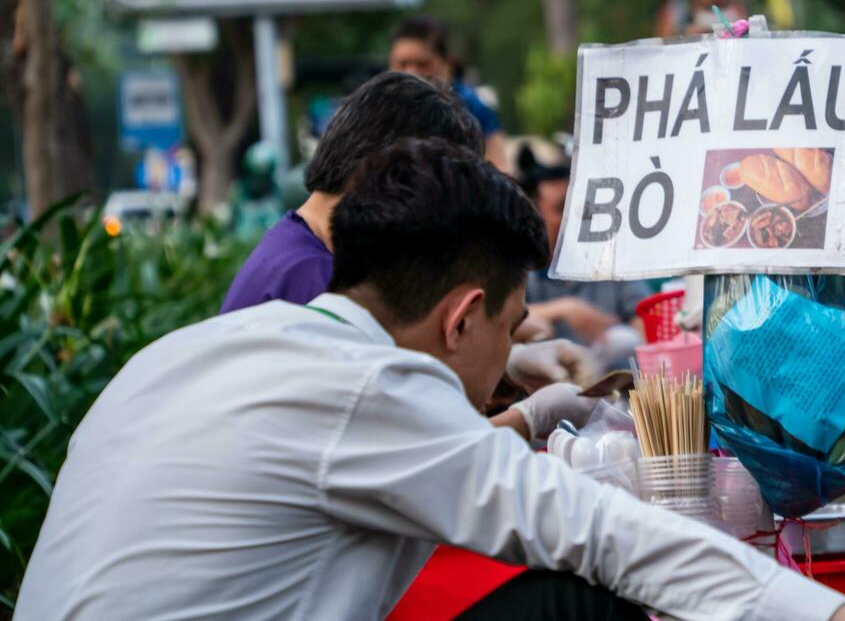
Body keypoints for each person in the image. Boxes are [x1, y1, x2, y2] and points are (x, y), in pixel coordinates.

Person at [7, 139, 845, 621]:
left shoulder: (208, 349)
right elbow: (612, 537)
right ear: (464, 313)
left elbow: (415, 462)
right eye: (516, 328)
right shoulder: (366, 388)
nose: (515, 351)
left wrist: (537, 413)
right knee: (579, 608)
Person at [220, 70, 594, 391]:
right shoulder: (315, 282)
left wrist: (506, 363)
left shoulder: (304, 252)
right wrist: (529, 418)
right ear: (381, 174)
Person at [516, 139, 647, 370]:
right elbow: (503, 322)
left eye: (579, 207)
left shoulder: (608, 258)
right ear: (535, 214)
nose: (574, 217)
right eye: (561, 209)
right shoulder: (521, 269)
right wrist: (564, 309)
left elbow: (644, 314)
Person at [388, 15, 509, 171]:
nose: (411, 73)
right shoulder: (379, 109)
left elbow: (500, 167)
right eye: (402, 64)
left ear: (447, 63)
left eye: (423, 64)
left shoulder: (474, 109)